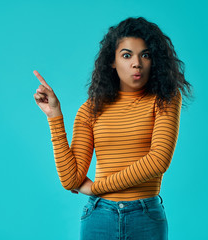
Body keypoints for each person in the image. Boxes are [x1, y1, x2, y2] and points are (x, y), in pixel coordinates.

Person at [33, 16, 193, 240]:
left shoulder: (164, 99)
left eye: (145, 55)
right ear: (112, 61)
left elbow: (159, 160)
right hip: (100, 215)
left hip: (145, 216)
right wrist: (55, 116)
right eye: (126, 55)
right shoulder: (90, 108)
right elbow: (71, 180)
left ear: (154, 60)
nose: (136, 63)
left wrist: (96, 187)